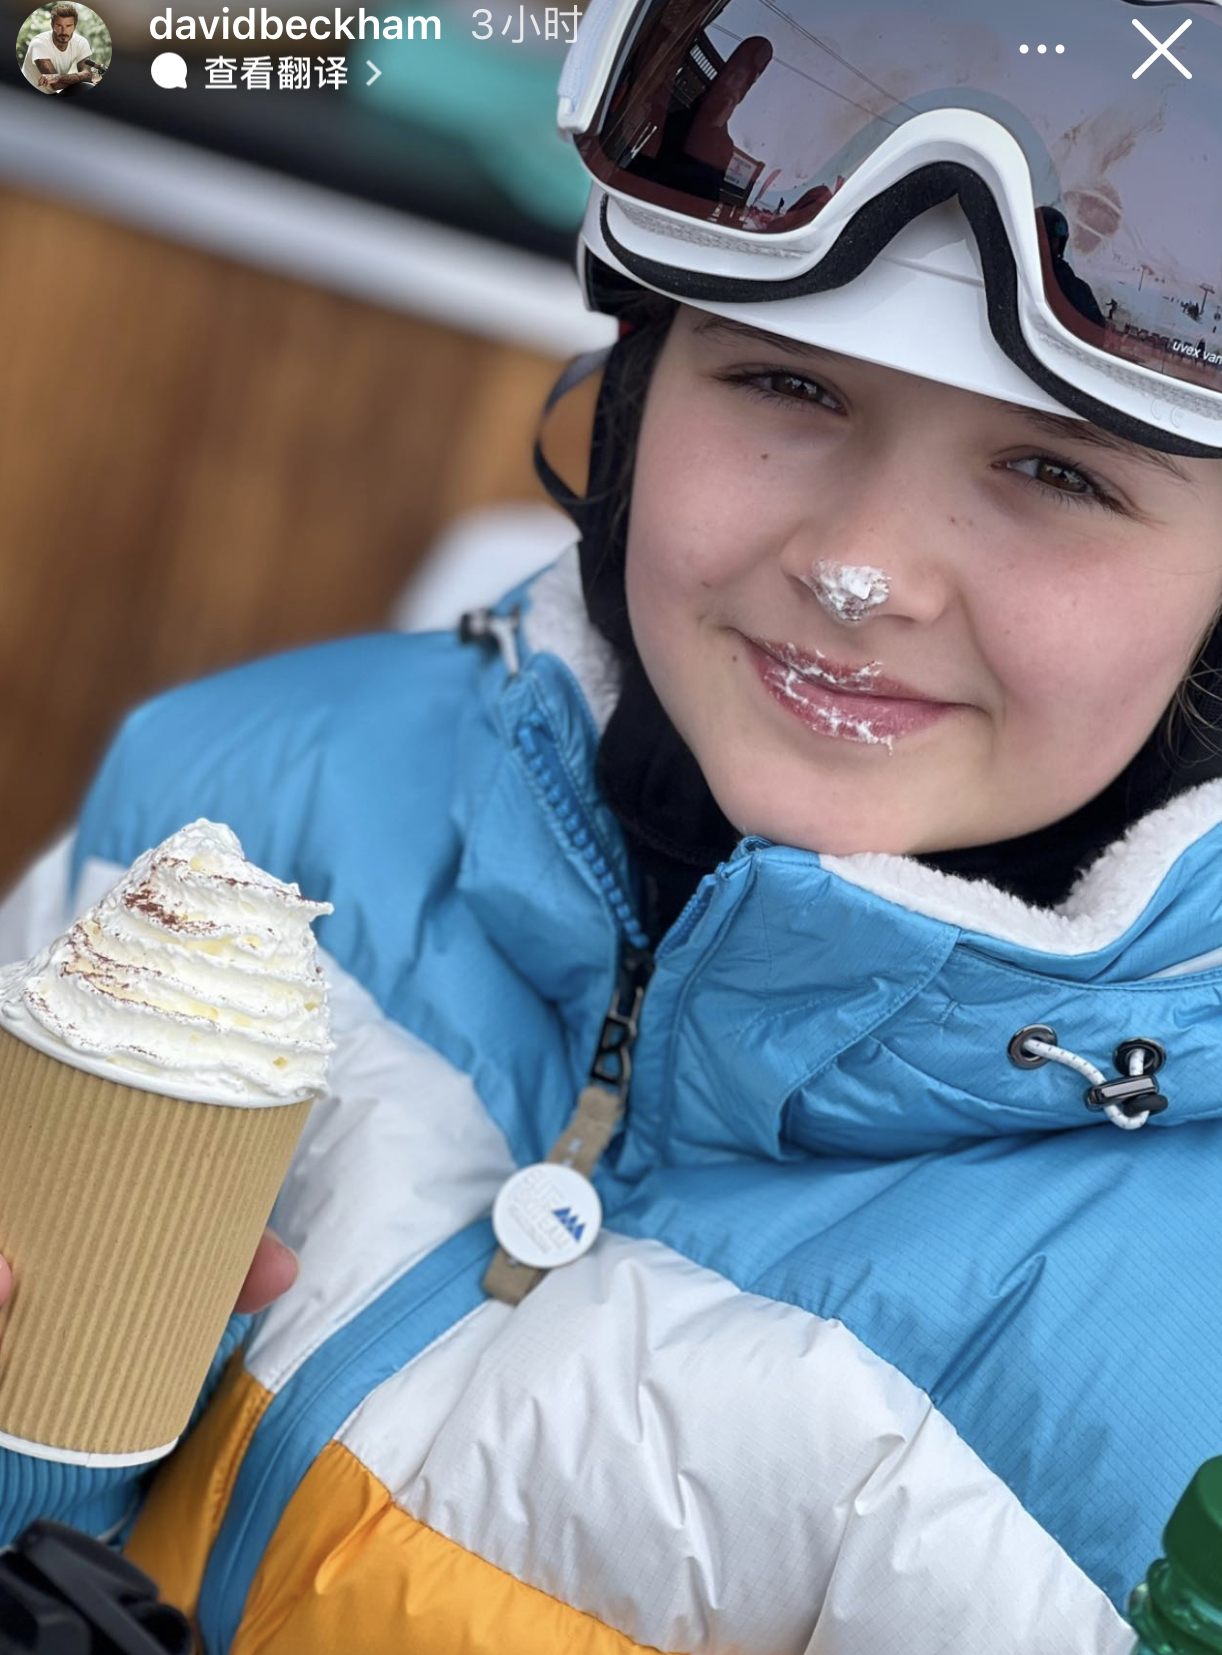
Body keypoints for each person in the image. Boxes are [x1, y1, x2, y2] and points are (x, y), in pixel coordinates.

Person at [1, 0, 1221, 1649]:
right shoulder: (242, 791)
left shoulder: (1183, 1358)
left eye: (1055, 475)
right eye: (785, 382)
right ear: (636, 386)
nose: (860, 567)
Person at [20, 2, 99, 94]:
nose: (64, 31)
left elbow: (87, 74)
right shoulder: (39, 43)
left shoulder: (81, 43)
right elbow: (55, 85)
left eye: (68, 26)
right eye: (59, 25)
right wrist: (84, 77)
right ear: (52, 25)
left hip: (53, 95)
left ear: (74, 27)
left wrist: (58, 77)